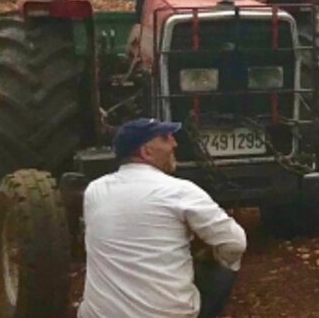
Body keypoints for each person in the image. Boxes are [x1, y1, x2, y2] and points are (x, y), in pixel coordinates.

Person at [82, 119, 247, 318]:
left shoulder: (94, 191)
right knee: (221, 268)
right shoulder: (179, 191)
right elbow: (235, 244)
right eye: (165, 138)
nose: (174, 144)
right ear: (146, 152)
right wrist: (212, 257)